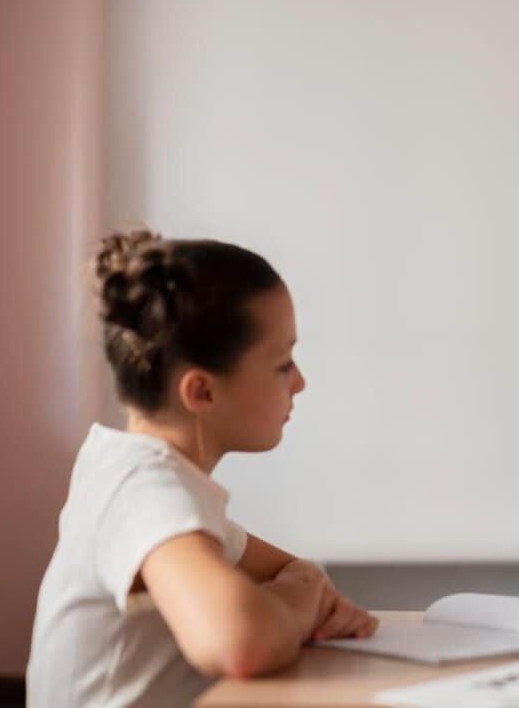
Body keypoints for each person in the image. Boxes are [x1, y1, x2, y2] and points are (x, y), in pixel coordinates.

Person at [27, 230, 378, 707]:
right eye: (282, 365)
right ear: (202, 393)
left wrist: (305, 586)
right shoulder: (141, 491)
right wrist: (302, 599)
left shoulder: (151, 479)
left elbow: (293, 571)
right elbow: (240, 642)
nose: (300, 382)